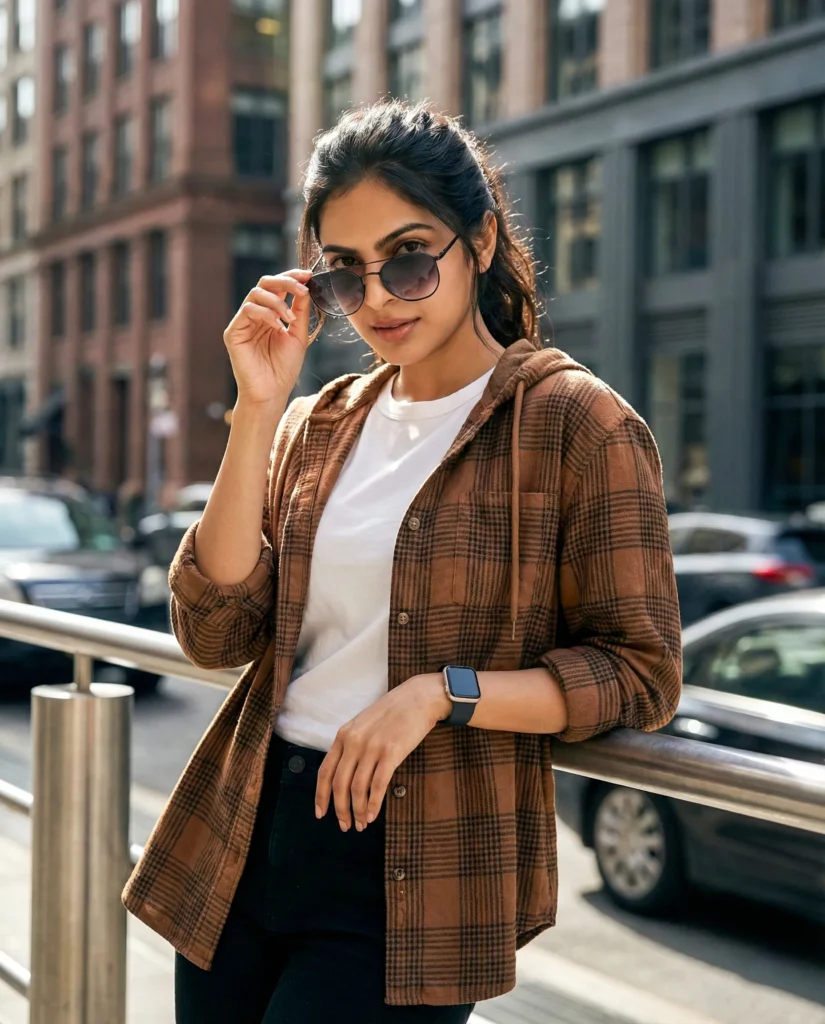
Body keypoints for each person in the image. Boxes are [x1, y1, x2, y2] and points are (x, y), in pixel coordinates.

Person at [123, 101, 682, 1023]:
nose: (379, 299)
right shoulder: (320, 423)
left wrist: (439, 693)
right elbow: (214, 629)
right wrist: (256, 410)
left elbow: (639, 673)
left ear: (481, 242)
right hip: (248, 835)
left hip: (415, 871)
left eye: (411, 258)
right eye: (347, 273)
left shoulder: (574, 425)